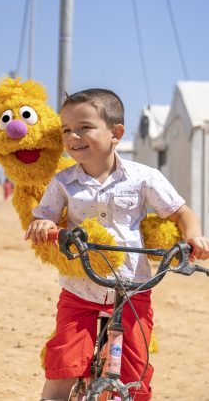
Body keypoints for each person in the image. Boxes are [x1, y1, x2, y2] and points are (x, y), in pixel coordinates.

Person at [24, 88, 209, 400]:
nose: (73, 136)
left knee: (136, 376)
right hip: (80, 289)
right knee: (63, 366)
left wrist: (194, 235)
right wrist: (44, 224)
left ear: (116, 133)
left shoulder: (142, 177)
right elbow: (44, 218)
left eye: (84, 127)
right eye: (67, 129)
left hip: (133, 289)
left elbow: (181, 212)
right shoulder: (63, 182)